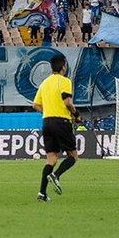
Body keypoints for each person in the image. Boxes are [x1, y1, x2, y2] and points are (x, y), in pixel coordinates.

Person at [32, 53, 80, 201]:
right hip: (61, 122)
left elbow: (35, 104)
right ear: (63, 66)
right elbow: (67, 103)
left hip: (46, 122)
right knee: (73, 156)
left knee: (51, 159)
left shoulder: (44, 83)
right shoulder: (64, 81)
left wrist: (47, 111)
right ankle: (56, 175)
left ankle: (42, 193)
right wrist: (76, 115)